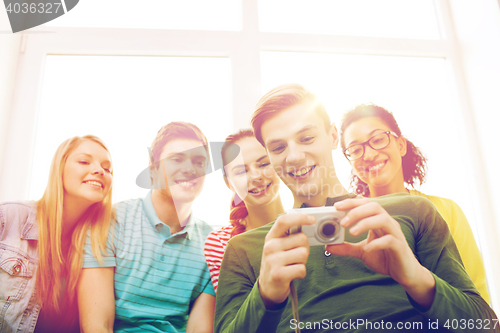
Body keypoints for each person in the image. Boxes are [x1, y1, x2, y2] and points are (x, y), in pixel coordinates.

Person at [214, 84, 497, 332]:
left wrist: (417, 278)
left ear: (334, 136)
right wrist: (264, 296)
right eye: (277, 148)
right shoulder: (245, 249)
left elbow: (485, 326)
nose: (295, 156)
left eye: (307, 138)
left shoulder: (412, 210)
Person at [339, 103, 490, 303]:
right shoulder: (351, 220)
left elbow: (475, 288)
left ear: (400, 145)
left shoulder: (445, 209)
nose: (368, 155)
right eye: (355, 149)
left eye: (377, 140)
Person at [78, 122, 215, 333]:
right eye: (176, 159)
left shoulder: (212, 243)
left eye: (199, 161)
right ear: (153, 169)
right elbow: (97, 326)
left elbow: (200, 328)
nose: (189, 169)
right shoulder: (110, 221)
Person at [0, 135, 113, 333]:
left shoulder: (101, 246)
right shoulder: (9, 217)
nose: (99, 171)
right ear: (59, 168)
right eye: (84, 161)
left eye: (107, 168)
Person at [204, 129, 284, 292]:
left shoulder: (307, 223)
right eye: (241, 171)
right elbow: (236, 313)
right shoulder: (221, 242)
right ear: (229, 184)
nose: (256, 176)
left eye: (264, 164)